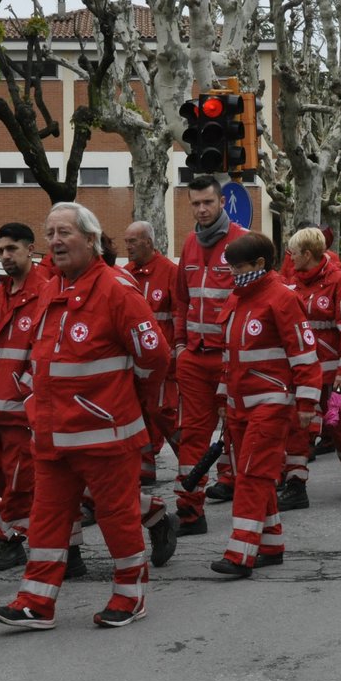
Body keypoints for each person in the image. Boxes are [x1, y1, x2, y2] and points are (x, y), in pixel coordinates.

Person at [0, 203, 169, 630]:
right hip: (53, 434)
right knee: (47, 519)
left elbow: (155, 357)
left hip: (104, 433)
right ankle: (36, 602)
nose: (54, 241)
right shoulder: (53, 288)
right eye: (49, 233)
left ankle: (130, 594)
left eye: (64, 232)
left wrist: (120, 398)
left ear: (90, 239)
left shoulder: (117, 289)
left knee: (117, 517)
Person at [209, 232, 323, 578]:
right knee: (254, 473)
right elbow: (230, 356)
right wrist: (221, 395)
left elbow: (304, 354)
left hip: (272, 403)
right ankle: (271, 545)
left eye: (238, 267)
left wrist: (306, 403)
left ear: (259, 264)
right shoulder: (237, 298)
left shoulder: (282, 299)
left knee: (252, 475)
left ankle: (240, 552)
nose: (232, 273)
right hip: (240, 404)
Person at [171, 174, 248, 531]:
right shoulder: (188, 243)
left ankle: (251, 512)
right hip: (194, 360)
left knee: (240, 432)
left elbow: (257, 303)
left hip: (231, 360)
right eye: (196, 204)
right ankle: (190, 509)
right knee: (191, 435)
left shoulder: (244, 243)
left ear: (222, 202)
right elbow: (181, 301)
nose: (202, 210)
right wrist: (180, 347)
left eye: (208, 203)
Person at [0, 224, 48, 574]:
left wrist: (26, 390)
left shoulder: (44, 292)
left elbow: (44, 351)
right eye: (1, 250)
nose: (5, 256)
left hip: (20, 408)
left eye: (12, 249)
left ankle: (12, 538)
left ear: (30, 249)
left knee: (19, 476)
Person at [279, 227, 341, 509]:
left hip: (333, 374)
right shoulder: (291, 283)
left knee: (335, 424)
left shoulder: (339, 282)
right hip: (302, 373)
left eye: (293, 254)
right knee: (297, 426)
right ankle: (295, 483)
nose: (289, 259)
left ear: (307, 254)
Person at [122, 220, 183, 557]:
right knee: (138, 419)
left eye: (133, 241)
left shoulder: (169, 273)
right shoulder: (126, 274)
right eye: (126, 241)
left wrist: (174, 355)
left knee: (165, 415)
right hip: (133, 367)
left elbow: (178, 316)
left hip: (162, 365)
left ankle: (191, 465)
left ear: (148, 241)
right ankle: (145, 471)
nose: (128, 246)